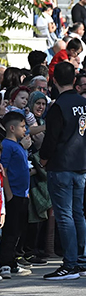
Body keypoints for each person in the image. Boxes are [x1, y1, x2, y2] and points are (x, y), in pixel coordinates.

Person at [40, 61, 86, 280]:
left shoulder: (58, 106)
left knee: (65, 216)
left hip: (61, 165)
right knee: (77, 213)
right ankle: (81, 262)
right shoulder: (85, 103)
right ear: (74, 80)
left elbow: (51, 138)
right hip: (81, 163)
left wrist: (43, 159)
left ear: (54, 80)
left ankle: (70, 264)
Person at [0, 112, 34, 278]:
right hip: (13, 194)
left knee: (19, 230)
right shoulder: (6, 146)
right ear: (12, 128)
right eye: (22, 126)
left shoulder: (19, 146)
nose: (25, 129)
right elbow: (3, 170)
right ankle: (5, 263)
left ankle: (12, 261)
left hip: (23, 194)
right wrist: (9, 194)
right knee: (11, 231)